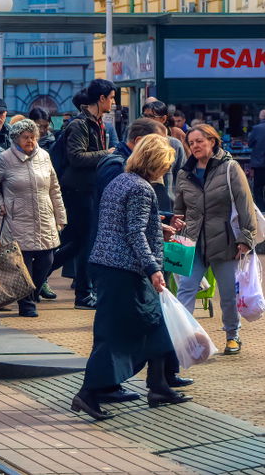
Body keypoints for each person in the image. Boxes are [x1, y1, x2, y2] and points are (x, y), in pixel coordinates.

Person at [71, 135, 192, 420]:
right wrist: (154, 269)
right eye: (165, 165)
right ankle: (89, 393)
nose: (166, 171)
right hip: (125, 270)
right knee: (116, 335)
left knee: (156, 325)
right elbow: (134, 232)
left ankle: (159, 385)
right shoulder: (141, 188)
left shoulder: (121, 181)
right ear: (155, 163)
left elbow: (123, 223)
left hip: (109, 265)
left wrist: (157, 226)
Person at [171, 124, 258, 356]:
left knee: (228, 293)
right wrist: (174, 231)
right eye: (191, 143)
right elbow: (178, 209)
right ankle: (184, 338)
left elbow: (244, 204)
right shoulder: (184, 173)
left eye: (200, 141)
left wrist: (246, 238)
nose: (195, 146)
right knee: (186, 290)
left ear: (212, 141)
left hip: (225, 240)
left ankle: (232, 335)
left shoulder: (230, 168)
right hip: (191, 241)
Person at [0, 119, 66, 318]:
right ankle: (26, 305)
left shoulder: (44, 156)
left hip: (44, 216)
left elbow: (54, 188)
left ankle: (32, 294)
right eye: (25, 137)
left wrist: (60, 215)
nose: (30, 141)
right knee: (23, 264)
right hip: (16, 217)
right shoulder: (5, 158)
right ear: (16, 139)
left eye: (33, 136)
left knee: (47, 259)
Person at [53, 79, 116, 310]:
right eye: (111, 97)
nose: (113, 102)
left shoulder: (97, 122)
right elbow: (77, 157)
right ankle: (83, 294)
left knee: (77, 242)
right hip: (78, 191)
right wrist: (106, 154)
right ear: (101, 99)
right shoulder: (80, 124)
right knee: (83, 242)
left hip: (89, 189)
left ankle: (37, 278)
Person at [141, 100, 185, 200]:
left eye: (151, 116)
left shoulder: (174, 144)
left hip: (168, 202)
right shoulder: (138, 142)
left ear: (163, 119)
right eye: (144, 116)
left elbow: (182, 176)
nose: (146, 120)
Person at [249, 109, 265, 209]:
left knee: (258, 189)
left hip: (259, 164)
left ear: (260, 117)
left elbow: (250, 143)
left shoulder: (256, 128)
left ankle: (262, 211)